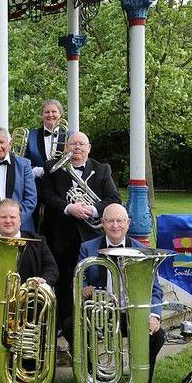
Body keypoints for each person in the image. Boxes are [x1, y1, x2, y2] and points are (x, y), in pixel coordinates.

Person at [66, 203, 164, 383]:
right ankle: (91, 378)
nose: (115, 225)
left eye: (120, 221)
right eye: (110, 220)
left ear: (128, 223)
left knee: (157, 335)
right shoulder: (88, 248)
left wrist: (154, 316)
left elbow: (155, 290)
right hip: (100, 311)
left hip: (130, 313)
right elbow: (78, 281)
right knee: (70, 327)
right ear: (102, 223)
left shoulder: (142, 250)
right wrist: (83, 289)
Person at [40, 131, 121, 337]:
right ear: (66, 147)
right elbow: (47, 197)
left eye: (82, 144)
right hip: (60, 233)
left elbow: (114, 199)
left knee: (93, 279)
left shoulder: (101, 170)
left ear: (89, 148)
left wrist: (93, 210)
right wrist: (69, 208)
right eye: (73, 144)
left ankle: (96, 323)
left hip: (90, 235)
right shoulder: (52, 168)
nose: (77, 148)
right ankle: (64, 325)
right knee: (64, 279)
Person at [0, 199, 58, 352]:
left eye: (12, 217)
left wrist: (43, 281)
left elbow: (52, 269)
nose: (8, 221)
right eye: (3, 217)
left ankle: (29, 363)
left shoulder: (38, 241)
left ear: (20, 220)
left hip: (28, 301)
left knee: (41, 316)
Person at [25, 100, 69, 179]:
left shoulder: (70, 136)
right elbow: (24, 161)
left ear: (60, 114)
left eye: (54, 111)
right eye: (47, 112)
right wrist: (36, 171)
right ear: (42, 115)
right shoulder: (31, 135)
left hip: (64, 184)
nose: (50, 114)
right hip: (38, 185)